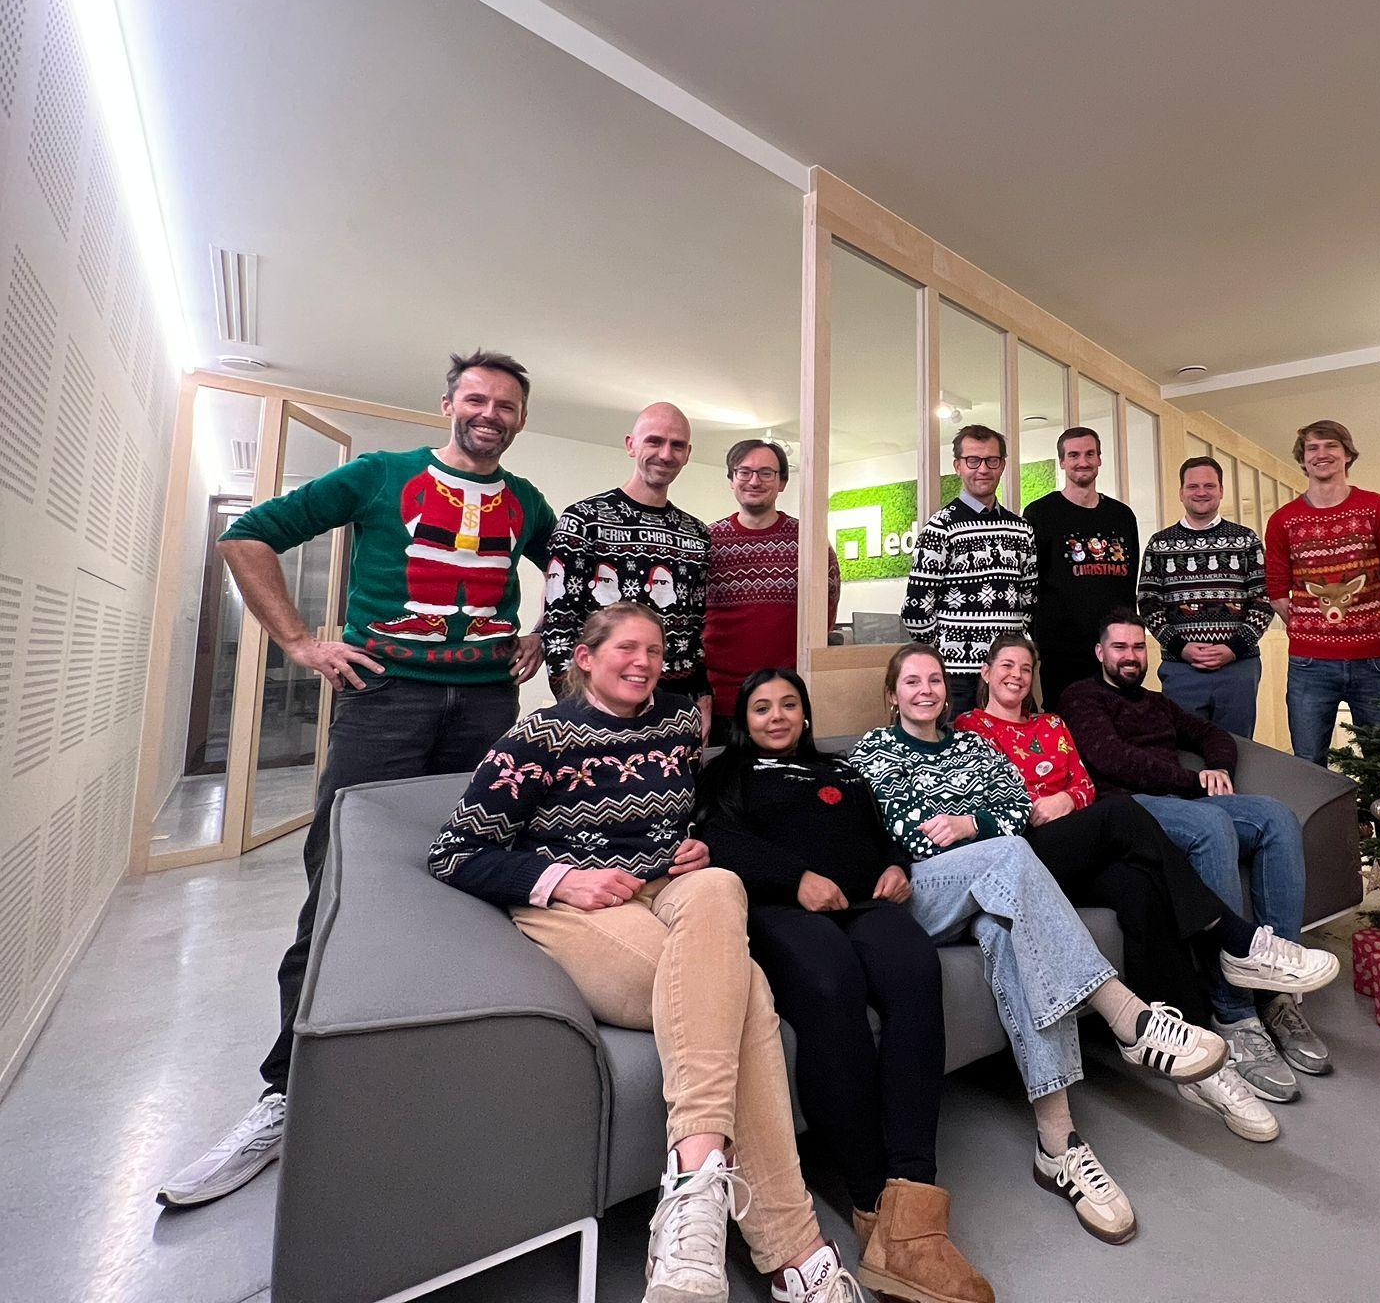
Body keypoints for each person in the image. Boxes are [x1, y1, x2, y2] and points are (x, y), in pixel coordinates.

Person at [156, 350, 555, 1209]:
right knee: (340, 885)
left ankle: (444, 1072)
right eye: (477, 398)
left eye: (506, 405)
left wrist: (542, 634)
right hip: (385, 701)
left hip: (486, 709)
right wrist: (300, 641)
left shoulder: (527, 503)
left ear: (522, 418)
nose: (490, 414)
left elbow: (574, 578)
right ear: (448, 404)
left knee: (477, 880)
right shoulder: (379, 476)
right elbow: (246, 536)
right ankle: (287, 1092)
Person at [427, 604, 861, 1302]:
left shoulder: (679, 724)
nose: (644, 662)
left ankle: (694, 1201)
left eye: (656, 651)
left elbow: (683, 815)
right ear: (585, 658)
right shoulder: (537, 736)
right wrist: (563, 878)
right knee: (744, 993)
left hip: (669, 889)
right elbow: (454, 852)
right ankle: (791, 1250)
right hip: (576, 905)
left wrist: (699, 844)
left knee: (720, 884)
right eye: (627, 648)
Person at [849, 644, 1234, 1244]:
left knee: (1012, 937)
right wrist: (982, 826)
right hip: (924, 893)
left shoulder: (972, 746)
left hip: (992, 888)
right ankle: (1127, 1016)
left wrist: (969, 823)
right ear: (891, 695)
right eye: (912, 682)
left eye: (935, 680)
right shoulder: (874, 751)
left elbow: (1017, 808)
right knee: (1008, 856)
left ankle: (1058, 1146)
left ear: (947, 691)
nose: (925, 690)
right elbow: (908, 833)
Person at [958, 632, 1342, 1143]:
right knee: (1123, 811)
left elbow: (1083, 784)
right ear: (985, 673)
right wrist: (1038, 806)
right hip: (1026, 853)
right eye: (1006, 666)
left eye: (1025, 668)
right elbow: (984, 798)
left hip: (1078, 843)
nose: (1016, 676)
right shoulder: (968, 730)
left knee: (1143, 889)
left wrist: (1069, 801)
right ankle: (1237, 940)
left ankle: (1202, 1062)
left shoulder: (1051, 725)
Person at [696, 668, 991, 1303]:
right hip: (780, 910)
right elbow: (715, 841)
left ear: (806, 714)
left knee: (916, 969)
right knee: (833, 984)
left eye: (789, 705)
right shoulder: (725, 774)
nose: (777, 716)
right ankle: (867, 1199)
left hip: (864, 904)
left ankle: (911, 1203)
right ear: (743, 720)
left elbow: (880, 836)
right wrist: (794, 878)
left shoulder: (843, 771)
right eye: (762, 708)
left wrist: (897, 866)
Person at [1061, 612, 1339, 1105]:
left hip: (1183, 805)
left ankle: (1276, 996)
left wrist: (1218, 768)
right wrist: (1194, 782)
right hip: (1129, 810)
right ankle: (1233, 1014)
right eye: (1120, 648)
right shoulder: (1082, 697)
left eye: (1138, 648)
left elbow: (1213, 735)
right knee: (1211, 825)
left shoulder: (1157, 702)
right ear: (1100, 653)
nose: (1130, 657)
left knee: (1276, 818)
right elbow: (1110, 758)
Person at [541, 402, 713, 730]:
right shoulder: (583, 521)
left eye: (677, 445)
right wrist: (574, 706)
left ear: (688, 454)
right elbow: (560, 623)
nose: (665, 454)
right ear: (631, 445)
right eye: (654, 441)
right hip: (601, 702)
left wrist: (702, 692)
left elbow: (696, 626)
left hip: (676, 704)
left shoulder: (697, 534)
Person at [1264, 418, 1380, 766]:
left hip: (1374, 661)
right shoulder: (1283, 520)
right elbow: (1277, 591)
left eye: (1331, 446)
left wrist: (1374, 624)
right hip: (1309, 664)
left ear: (1347, 455)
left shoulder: (1377, 508)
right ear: (1303, 459)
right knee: (1308, 763)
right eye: (1312, 448)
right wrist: (1313, 628)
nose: (1322, 454)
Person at [702, 439, 841, 746]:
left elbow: (826, 617)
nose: (754, 481)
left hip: (788, 699)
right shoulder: (707, 541)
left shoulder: (810, 543)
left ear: (782, 483)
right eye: (744, 472)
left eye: (766, 473)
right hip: (722, 701)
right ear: (731, 479)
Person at [900, 424, 1036, 719]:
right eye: (973, 460)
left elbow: (1028, 599)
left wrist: (1012, 648)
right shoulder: (940, 527)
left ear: (1002, 465)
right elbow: (916, 610)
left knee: (1019, 746)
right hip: (958, 677)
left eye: (991, 460)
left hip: (1008, 676)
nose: (982, 469)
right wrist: (945, 652)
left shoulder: (1021, 529)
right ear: (958, 467)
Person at [1138, 456, 1273, 737]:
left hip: (1238, 667)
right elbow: (1148, 603)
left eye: (1209, 485)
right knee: (1185, 749)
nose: (1201, 492)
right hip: (1181, 668)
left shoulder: (1246, 539)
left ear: (1221, 491)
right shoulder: (1159, 544)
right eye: (1193, 486)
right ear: (1181, 492)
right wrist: (1179, 647)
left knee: (1237, 748)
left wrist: (1235, 647)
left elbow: (1264, 598)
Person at [1023, 427, 1140, 708]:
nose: (1083, 461)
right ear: (1062, 462)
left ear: (1099, 459)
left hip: (1115, 651)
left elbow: (1129, 584)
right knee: (1066, 727)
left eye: (1090, 454)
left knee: (1123, 722)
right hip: (1061, 654)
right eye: (1074, 455)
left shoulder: (1122, 516)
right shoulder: (1040, 513)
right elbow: (1030, 584)